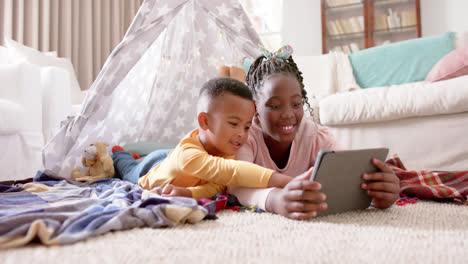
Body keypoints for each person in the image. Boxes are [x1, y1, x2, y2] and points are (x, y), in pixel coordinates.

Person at [227, 45, 400, 220]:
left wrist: (376, 193)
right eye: (275, 106)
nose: (288, 114)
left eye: (296, 104)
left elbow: (347, 170)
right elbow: (236, 187)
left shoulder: (314, 135)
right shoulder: (245, 138)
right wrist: (274, 200)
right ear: (255, 108)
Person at [112, 77, 293, 199]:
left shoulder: (227, 152)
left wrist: (188, 192)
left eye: (247, 126)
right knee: (127, 168)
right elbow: (232, 171)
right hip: (147, 173)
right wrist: (287, 181)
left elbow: (216, 186)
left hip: (177, 160)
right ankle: (120, 152)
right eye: (233, 124)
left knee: (165, 154)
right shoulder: (189, 155)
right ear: (204, 121)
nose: (242, 134)